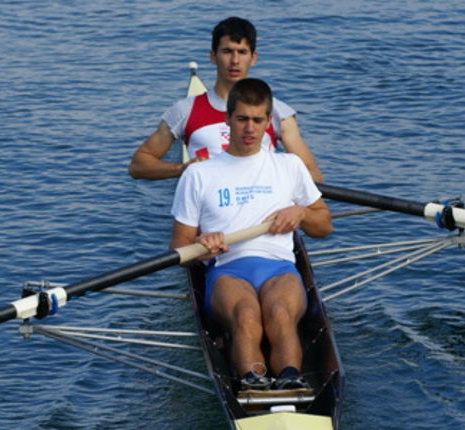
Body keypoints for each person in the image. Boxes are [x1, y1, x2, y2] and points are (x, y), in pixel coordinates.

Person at [169, 78, 332, 391]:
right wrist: (201, 247)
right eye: (242, 119)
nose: (249, 128)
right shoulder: (199, 174)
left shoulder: (290, 166)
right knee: (246, 315)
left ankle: (289, 381)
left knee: (280, 314)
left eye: (258, 120)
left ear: (269, 122)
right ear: (227, 119)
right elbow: (178, 247)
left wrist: (301, 212)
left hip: (280, 268)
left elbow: (324, 226)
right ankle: (252, 384)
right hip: (228, 271)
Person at [129, 16, 323, 183]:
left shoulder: (279, 112)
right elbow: (138, 165)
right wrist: (182, 169)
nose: (235, 61)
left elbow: (312, 175)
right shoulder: (185, 111)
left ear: (253, 58)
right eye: (227, 52)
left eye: (242, 52)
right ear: (213, 57)